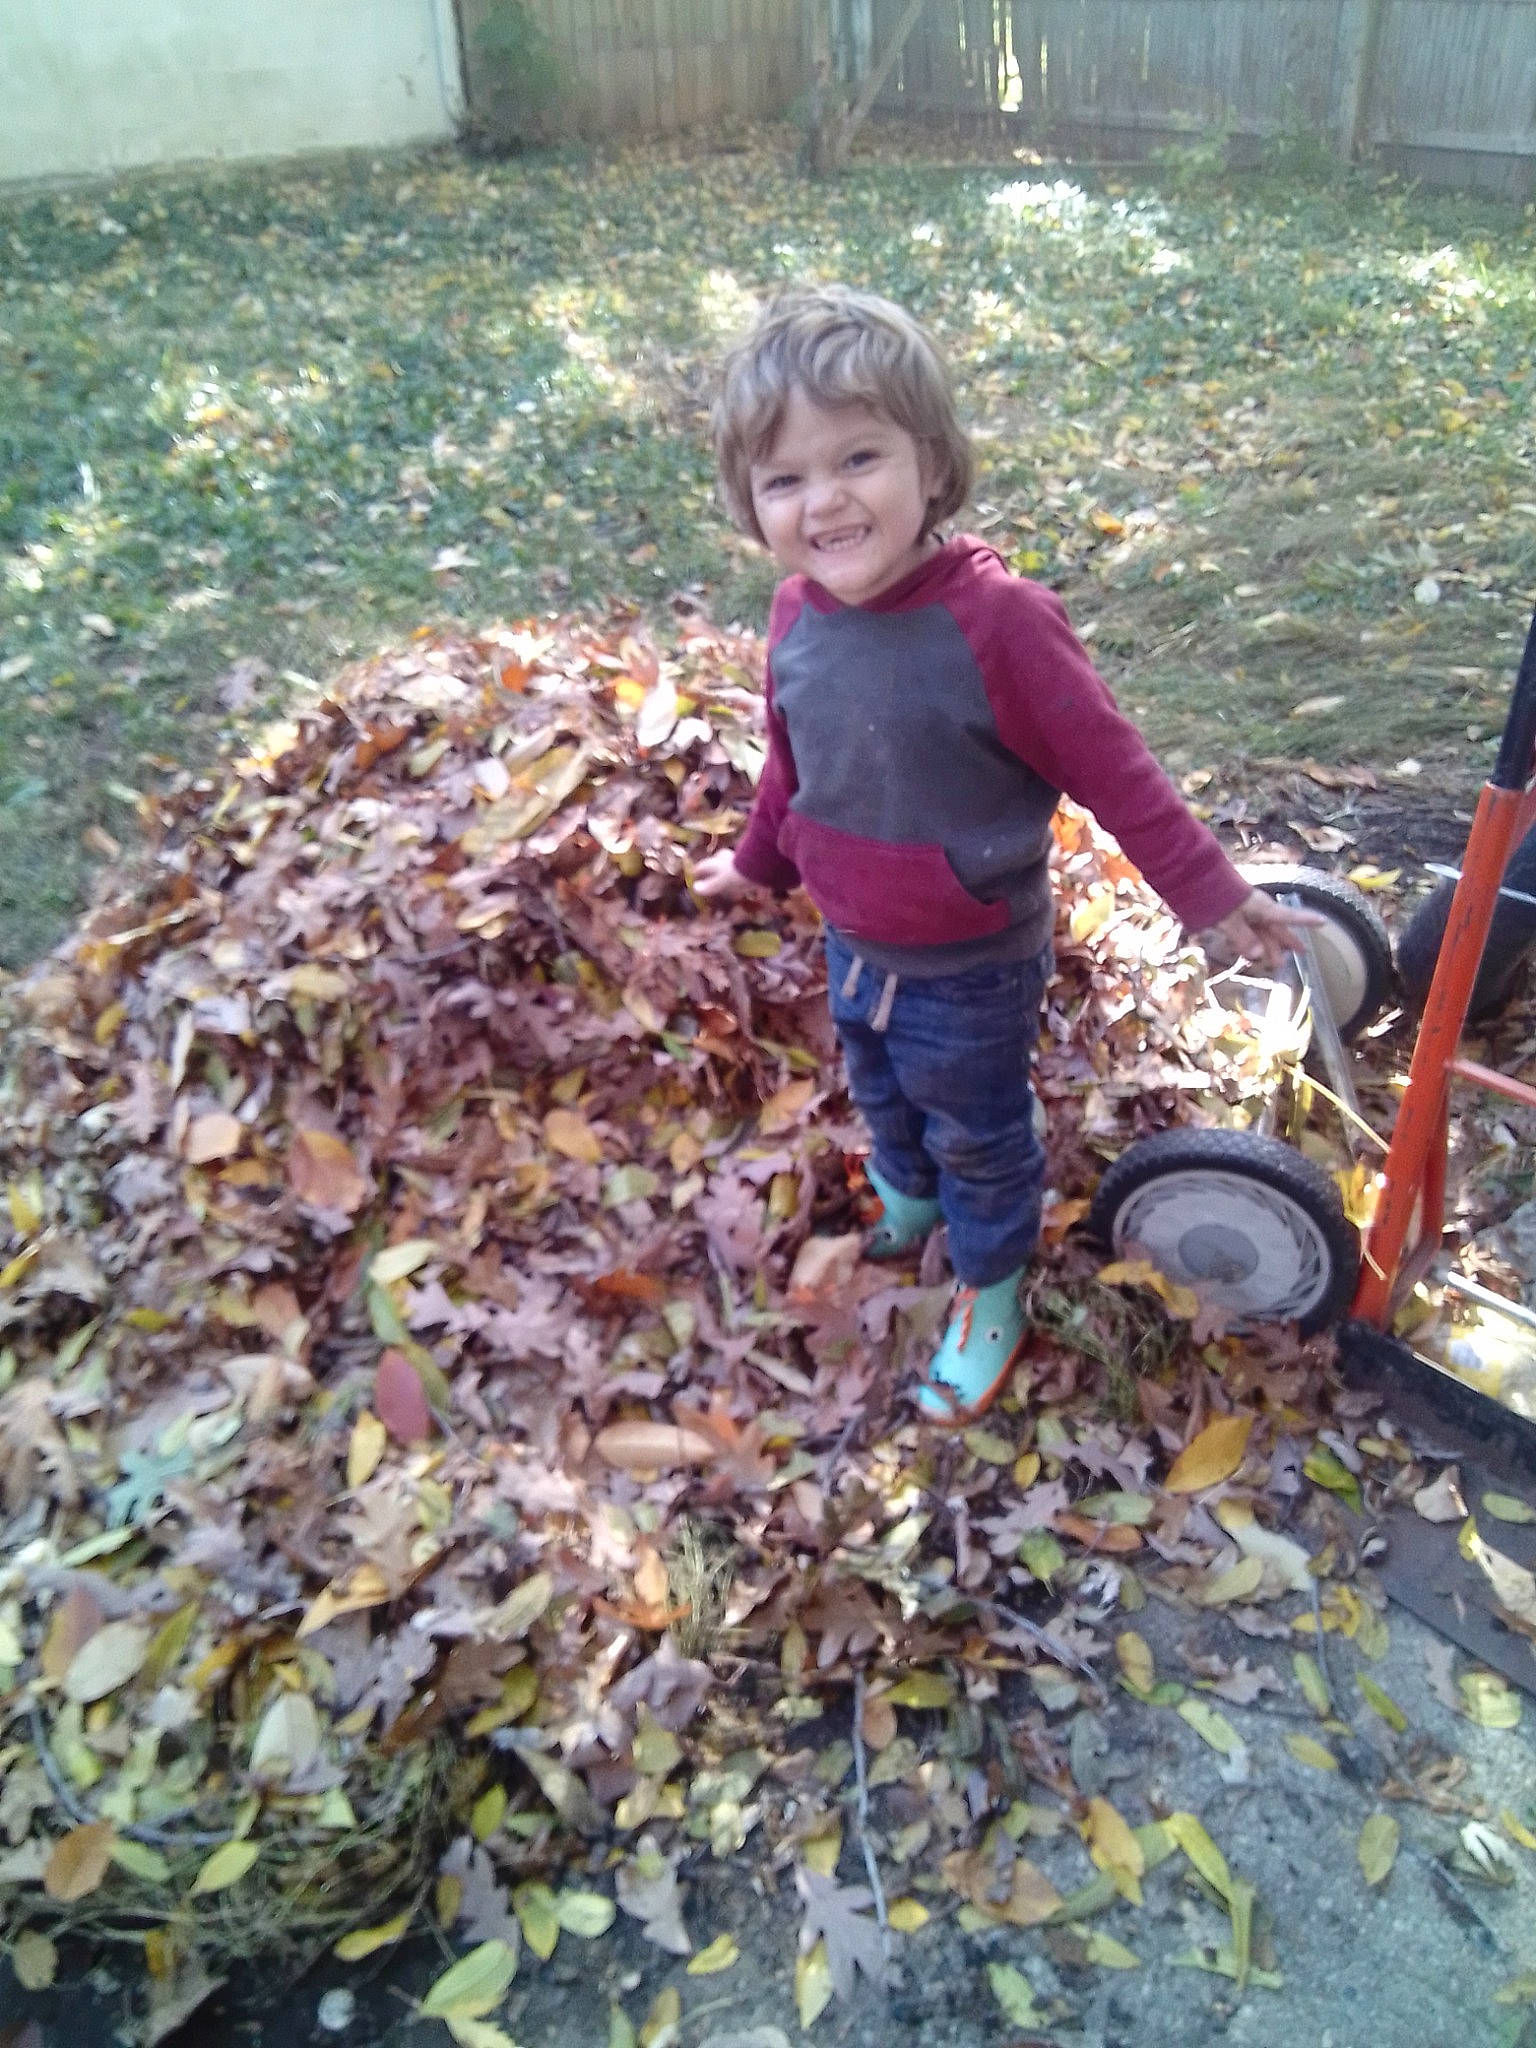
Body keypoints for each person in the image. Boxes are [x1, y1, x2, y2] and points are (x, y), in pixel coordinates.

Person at [692, 285, 1317, 1423]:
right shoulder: (797, 615)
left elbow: (1116, 770)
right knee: (878, 1086)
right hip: (853, 934)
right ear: (751, 503)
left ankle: (993, 1287)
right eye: (785, 479)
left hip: (970, 959)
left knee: (977, 1130)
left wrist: (1211, 894)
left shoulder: (1001, 623)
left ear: (931, 462)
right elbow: (792, 766)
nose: (824, 501)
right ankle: (909, 1199)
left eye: (858, 458)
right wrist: (759, 862)